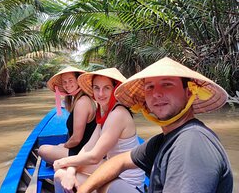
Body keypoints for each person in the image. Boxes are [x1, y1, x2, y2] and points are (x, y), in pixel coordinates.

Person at [77, 57, 233, 193]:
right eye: (150, 87)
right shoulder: (163, 140)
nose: (157, 93)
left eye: (167, 84)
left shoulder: (190, 144)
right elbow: (119, 161)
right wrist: (83, 190)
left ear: (189, 93)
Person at [54, 68, 145, 193]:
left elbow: (94, 157)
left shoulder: (118, 114)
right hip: (114, 172)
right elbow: (88, 147)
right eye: (96, 88)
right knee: (65, 172)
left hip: (128, 184)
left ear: (115, 89)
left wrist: (64, 162)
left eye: (107, 88)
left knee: (59, 174)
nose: (101, 94)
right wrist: (70, 170)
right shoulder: (104, 113)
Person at [38, 66, 97, 163]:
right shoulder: (79, 99)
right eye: (64, 82)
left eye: (70, 80)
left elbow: (76, 139)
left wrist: (63, 146)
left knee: (42, 149)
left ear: (78, 81)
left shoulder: (82, 102)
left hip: (83, 153)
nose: (67, 84)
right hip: (82, 149)